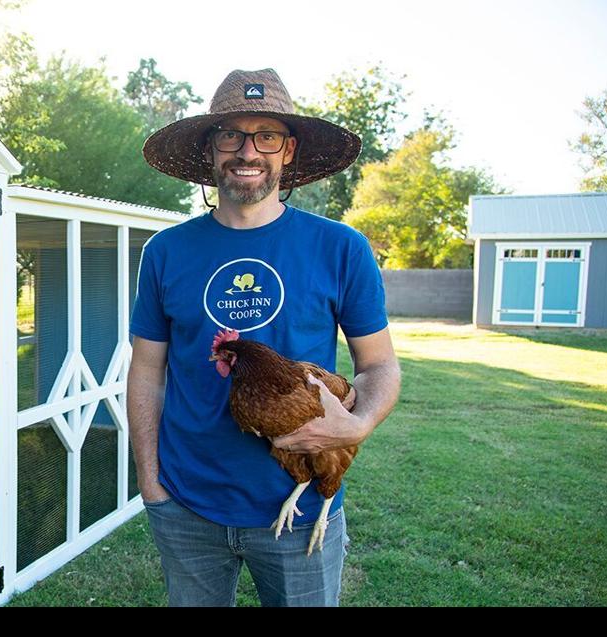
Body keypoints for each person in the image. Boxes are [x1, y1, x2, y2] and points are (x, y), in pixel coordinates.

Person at [127, 68, 401, 607]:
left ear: (289, 150)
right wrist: (151, 482)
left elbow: (380, 365)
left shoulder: (340, 247)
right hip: (186, 503)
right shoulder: (165, 252)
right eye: (231, 134)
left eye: (266, 136)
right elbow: (146, 370)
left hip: (301, 504)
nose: (247, 151)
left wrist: (359, 422)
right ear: (210, 148)